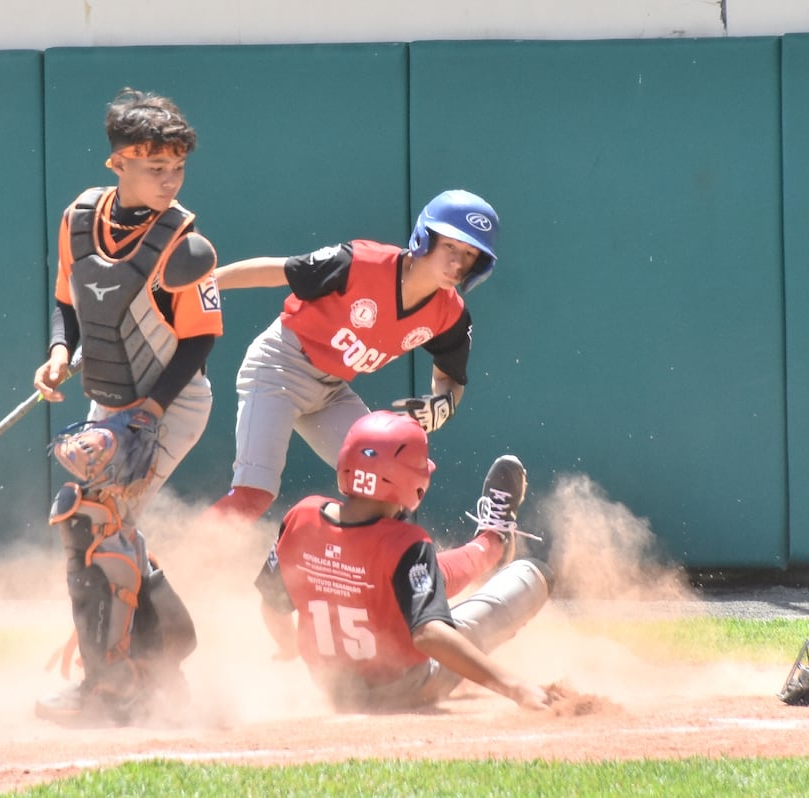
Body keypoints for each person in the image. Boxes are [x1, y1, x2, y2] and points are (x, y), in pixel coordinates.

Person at [31, 87, 223, 726]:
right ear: (118, 163)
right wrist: (60, 352)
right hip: (105, 403)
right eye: (154, 167)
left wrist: (149, 412)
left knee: (94, 518)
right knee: (98, 525)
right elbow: (68, 300)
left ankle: (113, 686)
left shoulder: (186, 242)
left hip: (170, 402)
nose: (170, 179)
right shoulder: (79, 218)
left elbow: (199, 341)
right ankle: (161, 659)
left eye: (178, 167)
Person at [204, 189, 500, 524]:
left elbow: (451, 379)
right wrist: (207, 283)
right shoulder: (362, 263)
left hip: (331, 391)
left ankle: (356, 572)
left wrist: (443, 405)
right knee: (253, 495)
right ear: (424, 236)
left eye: (470, 253)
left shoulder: (451, 314)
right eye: (450, 245)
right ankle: (175, 566)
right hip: (280, 367)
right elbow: (280, 271)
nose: (458, 262)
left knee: (396, 486)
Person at [254, 410, 554, 712]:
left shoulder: (301, 517)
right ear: (410, 479)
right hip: (405, 689)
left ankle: (490, 543)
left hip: (333, 688)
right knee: (534, 574)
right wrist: (515, 687)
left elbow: (272, 604)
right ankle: (494, 541)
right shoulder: (405, 542)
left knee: (411, 577)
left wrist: (289, 645)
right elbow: (429, 636)